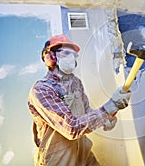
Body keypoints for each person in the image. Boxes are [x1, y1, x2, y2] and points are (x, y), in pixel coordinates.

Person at [27, 34, 131, 166]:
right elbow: (71, 128)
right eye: (65, 53)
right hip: (58, 159)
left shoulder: (76, 83)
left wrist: (106, 119)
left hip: (82, 152)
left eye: (73, 55)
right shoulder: (41, 90)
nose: (71, 58)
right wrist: (109, 107)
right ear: (50, 57)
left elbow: (87, 113)